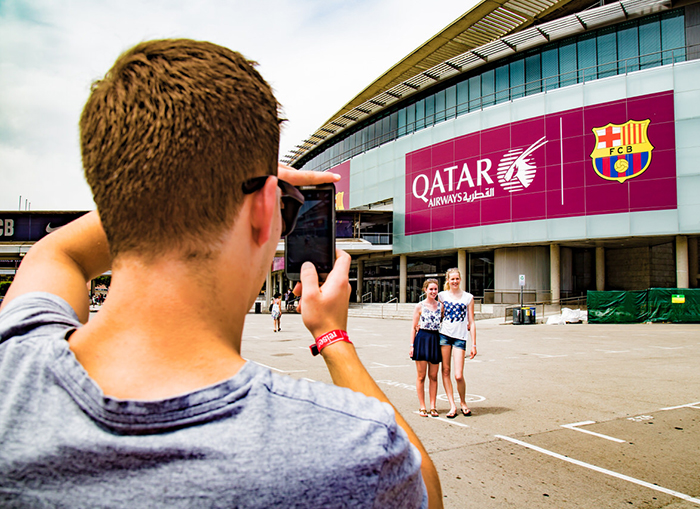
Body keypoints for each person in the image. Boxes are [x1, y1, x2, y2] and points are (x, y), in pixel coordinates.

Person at [0, 39, 442, 508]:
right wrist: (332, 336)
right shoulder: (355, 452)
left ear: (113, 202)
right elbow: (427, 491)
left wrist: (184, 179)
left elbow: (57, 251)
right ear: (264, 209)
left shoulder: (15, 361)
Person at [438, 268, 477, 418]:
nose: (454, 281)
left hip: (460, 338)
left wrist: (474, 344)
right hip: (444, 336)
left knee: (458, 375)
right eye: (452, 279)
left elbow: (471, 322)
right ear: (448, 280)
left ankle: (463, 402)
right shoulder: (441, 296)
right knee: (446, 371)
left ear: (460, 279)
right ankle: (452, 405)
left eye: (457, 279)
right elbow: (437, 314)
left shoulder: (468, 297)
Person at [410, 279, 442, 418]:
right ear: (425, 290)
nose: (433, 292)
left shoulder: (441, 306)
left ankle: (433, 406)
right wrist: (411, 345)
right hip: (422, 339)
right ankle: (422, 406)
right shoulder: (419, 306)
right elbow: (413, 327)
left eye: (435, 289)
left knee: (433, 376)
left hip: (435, 339)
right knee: (421, 376)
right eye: (431, 289)